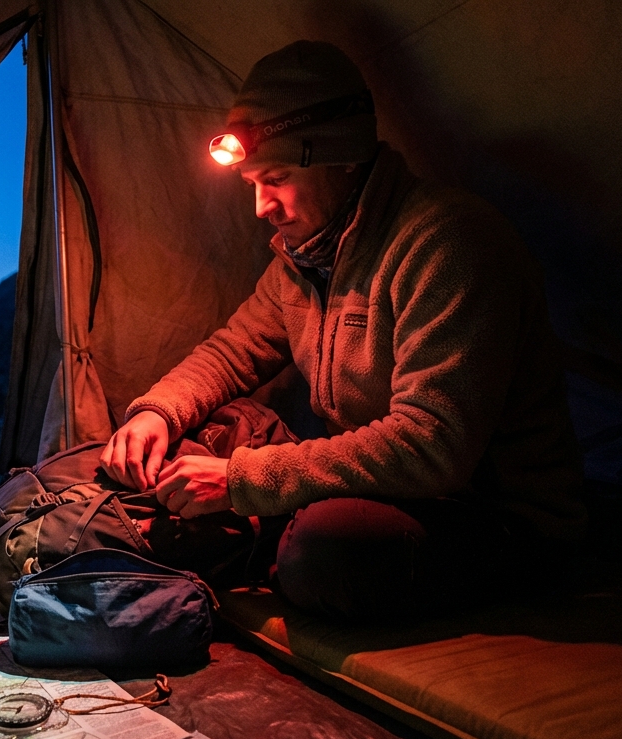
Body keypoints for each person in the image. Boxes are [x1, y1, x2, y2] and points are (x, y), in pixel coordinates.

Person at [99, 40, 585, 620]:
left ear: (342, 157)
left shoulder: (446, 242)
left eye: (275, 177)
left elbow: (432, 447)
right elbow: (232, 352)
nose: (261, 206)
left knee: (324, 549)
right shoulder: (304, 260)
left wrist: (244, 480)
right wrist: (158, 411)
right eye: (252, 182)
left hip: (488, 515)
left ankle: (272, 544)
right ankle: (262, 537)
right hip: (381, 490)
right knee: (210, 427)